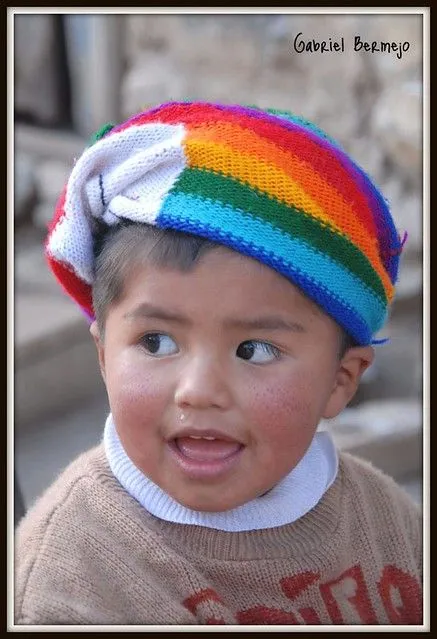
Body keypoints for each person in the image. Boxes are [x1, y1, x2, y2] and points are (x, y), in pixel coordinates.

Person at [14, 101, 422, 626]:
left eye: (254, 349)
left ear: (340, 381)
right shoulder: (69, 578)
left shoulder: (381, 518)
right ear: (102, 355)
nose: (198, 390)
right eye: (157, 341)